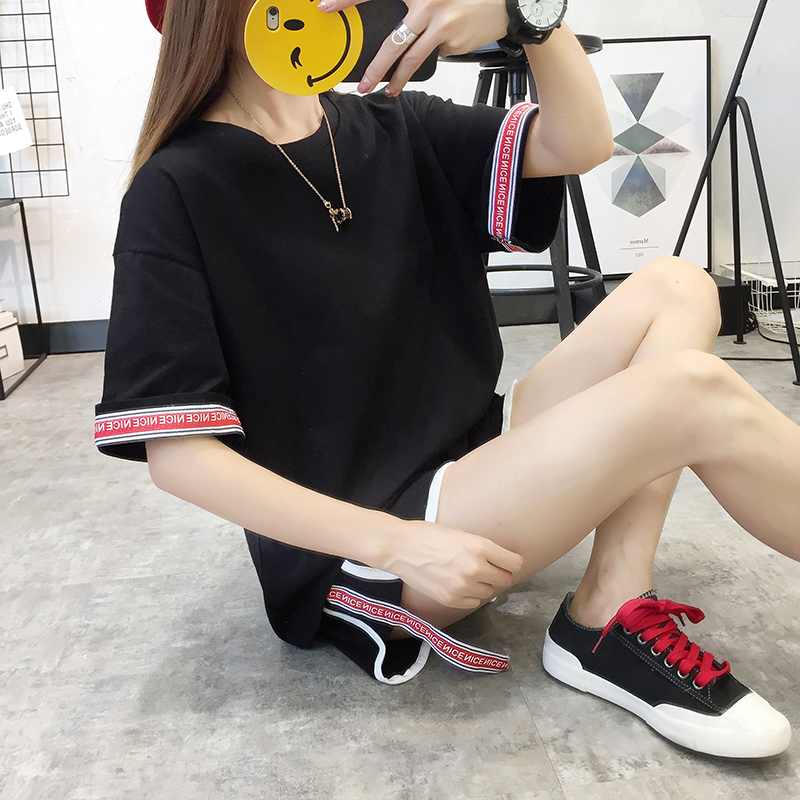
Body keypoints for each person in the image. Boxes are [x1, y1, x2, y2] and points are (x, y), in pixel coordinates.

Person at [95, 0, 799, 759]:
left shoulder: (393, 122)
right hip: (369, 541)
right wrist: (397, 543)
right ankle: (598, 620)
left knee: (677, 286)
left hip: (473, 461)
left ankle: (610, 601)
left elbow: (582, 141)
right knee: (693, 393)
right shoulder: (176, 187)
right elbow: (180, 458)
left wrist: (528, 16)